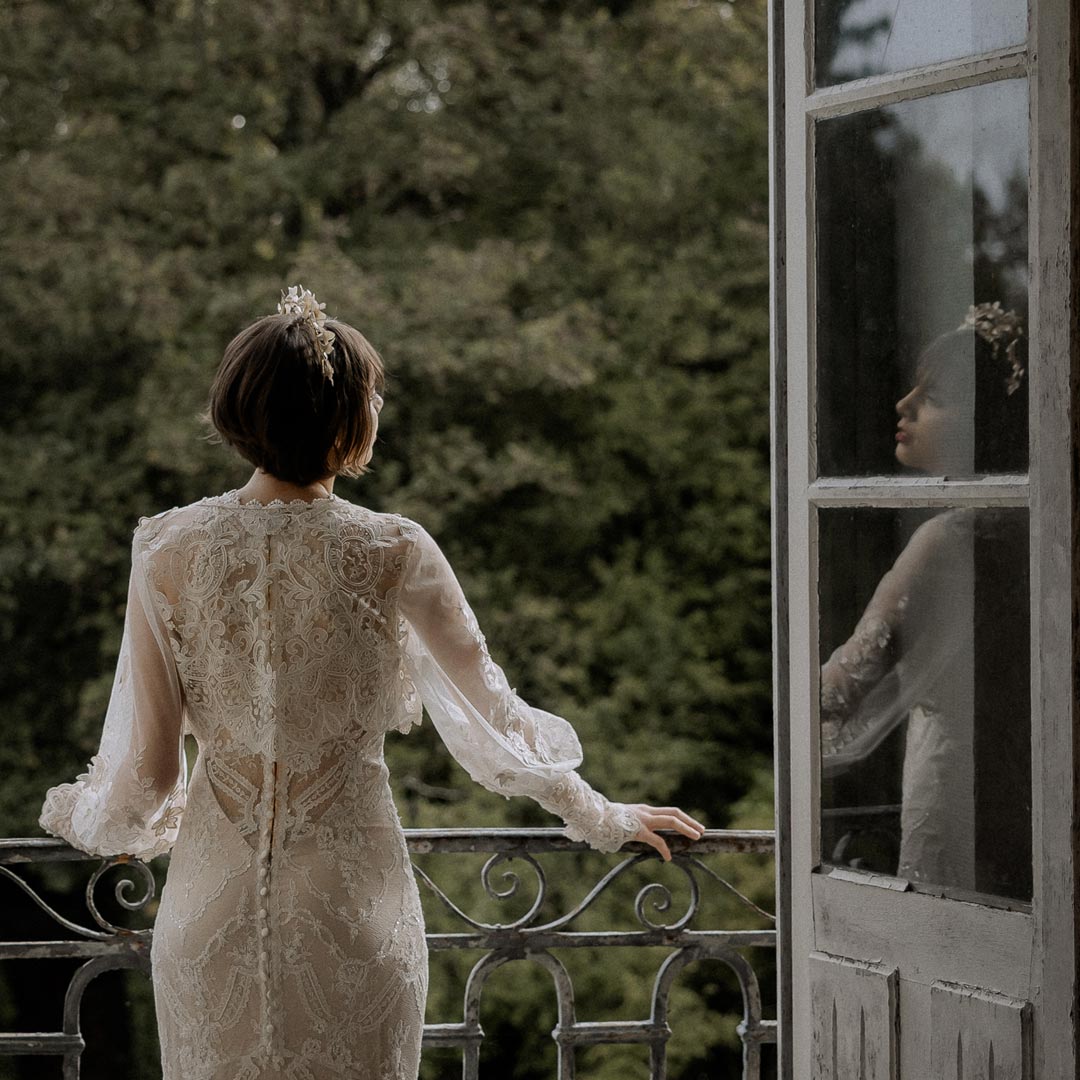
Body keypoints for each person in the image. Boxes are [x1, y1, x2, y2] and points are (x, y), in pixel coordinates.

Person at [37, 285, 706, 1079]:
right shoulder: (393, 548)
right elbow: (495, 721)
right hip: (354, 909)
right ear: (349, 419)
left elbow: (147, 780)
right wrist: (602, 815)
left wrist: (78, 816)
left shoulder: (166, 549)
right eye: (374, 396)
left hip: (207, 917)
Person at [819, 301, 1028, 894]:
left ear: (980, 421)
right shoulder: (1030, 530)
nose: (902, 406)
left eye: (933, 397)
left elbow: (839, 690)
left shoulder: (952, 536)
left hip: (957, 797)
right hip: (1031, 798)